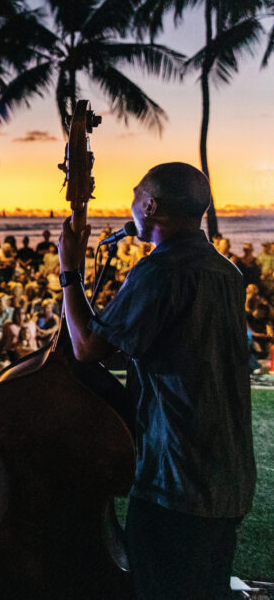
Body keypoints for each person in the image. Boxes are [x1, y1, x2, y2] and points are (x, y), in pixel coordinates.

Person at [58, 162, 255, 600]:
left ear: (151, 206)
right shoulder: (227, 273)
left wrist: (70, 270)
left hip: (175, 480)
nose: (131, 207)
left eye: (134, 196)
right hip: (228, 477)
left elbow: (87, 347)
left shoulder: (160, 272)